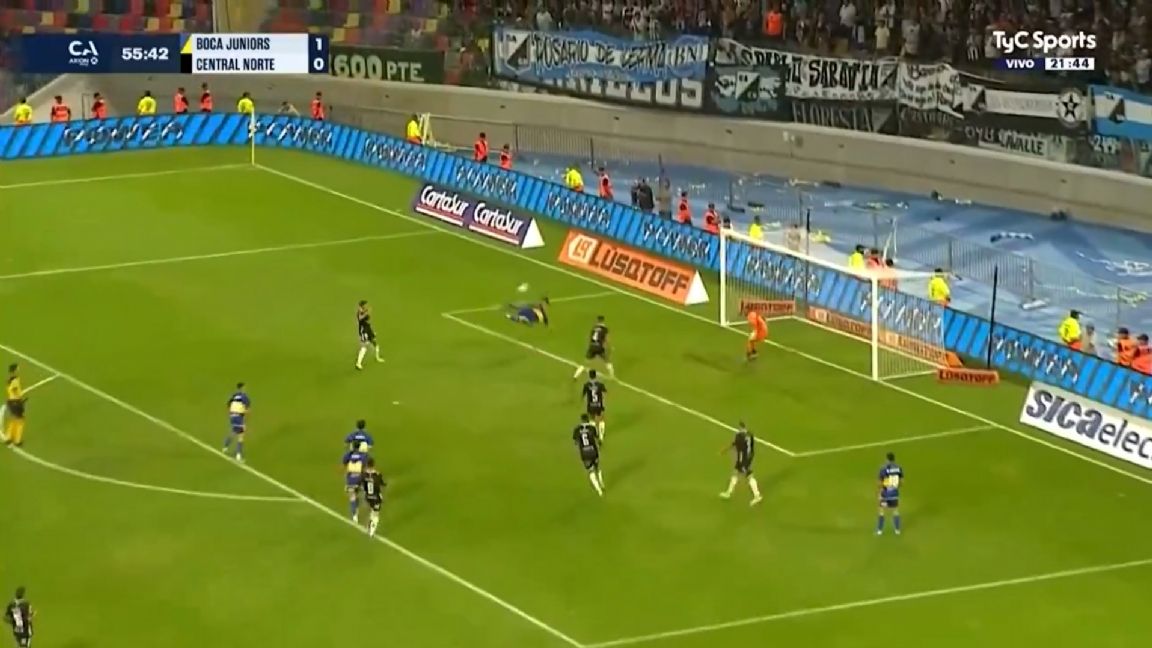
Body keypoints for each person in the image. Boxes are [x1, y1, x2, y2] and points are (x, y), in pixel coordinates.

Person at [720, 421, 761, 505]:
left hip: (743, 458)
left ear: (740, 428)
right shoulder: (750, 434)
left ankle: (757, 495)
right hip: (749, 456)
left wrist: (725, 450)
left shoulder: (739, 436)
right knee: (735, 472)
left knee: (749, 475)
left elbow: (735, 445)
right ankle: (729, 492)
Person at [573, 413, 604, 496]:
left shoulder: (577, 429)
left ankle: (599, 490)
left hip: (585, 452)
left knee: (590, 471)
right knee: (597, 467)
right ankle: (601, 481)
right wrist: (600, 444)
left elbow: (576, 442)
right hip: (593, 450)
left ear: (581, 420)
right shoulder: (592, 428)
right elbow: (597, 439)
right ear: (588, 420)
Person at [877, 451, 904, 535]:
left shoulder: (883, 468)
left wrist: (880, 492)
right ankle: (897, 530)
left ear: (887, 459)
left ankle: (879, 530)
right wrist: (895, 487)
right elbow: (901, 482)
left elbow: (880, 482)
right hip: (894, 494)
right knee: (895, 511)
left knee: (882, 511)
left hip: (885, 494)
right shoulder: (898, 468)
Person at [222, 382, 250, 462]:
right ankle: (238, 455)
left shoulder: (233, 396)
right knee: (241, 435)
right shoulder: (244, 397)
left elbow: (228, 405)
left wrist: (232, 414)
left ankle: (225, 446)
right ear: (242, 388)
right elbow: (247, 409)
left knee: (234, 432)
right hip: (239, 417)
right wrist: (245, 419)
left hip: (232, 416)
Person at [355, 300, 385, 370]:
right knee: (365, 346)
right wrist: (366, 313)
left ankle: (377, 357)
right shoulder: (359, 312)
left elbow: (368, 319)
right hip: (363, 330)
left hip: (368, 329)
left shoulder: (365, 310)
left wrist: (372, 331)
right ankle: (358, 363)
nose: (367, 306)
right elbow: (360, 318)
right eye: (365, 305)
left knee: (375, 343)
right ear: (362, 305)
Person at [342, 445, 368, 522]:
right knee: (361, 493)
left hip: (351, 479)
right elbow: (365, 465)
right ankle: (366, 507)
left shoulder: (348, 455)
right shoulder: (363, 456)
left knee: (352, 497)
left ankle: (354, 515)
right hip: (359, 478)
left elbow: (344, 462)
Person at [361, 457, 386, 536]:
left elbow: (362, 486)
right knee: (375, 514)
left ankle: (369, 526)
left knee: (371, 511)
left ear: (367, 465)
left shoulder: (363, 475)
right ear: (374, 465)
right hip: (376, 497)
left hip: (368, 497)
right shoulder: (378, 475)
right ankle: (372, 531)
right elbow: (382, 485)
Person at [3, 364, 25, 447]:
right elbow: (15, 390)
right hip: (16, 402)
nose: (18, 369)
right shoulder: (15, 380)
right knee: (20, 421)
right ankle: (17, 440)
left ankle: (8, 438)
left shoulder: (9, 379)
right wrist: (20, 399)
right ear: (14, 370)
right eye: (17, 368)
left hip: (10, 401)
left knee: (13, 419)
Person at [582, 369, 608, 440]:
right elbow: (605, 393)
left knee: (592, 419)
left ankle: (594, 434)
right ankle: (601, 437)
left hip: (591, 405)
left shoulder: (586, 385)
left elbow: (583, 395)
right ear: (595, 375)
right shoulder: (600, 384)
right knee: (601, 419)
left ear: (589, 376)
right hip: (599, 404)